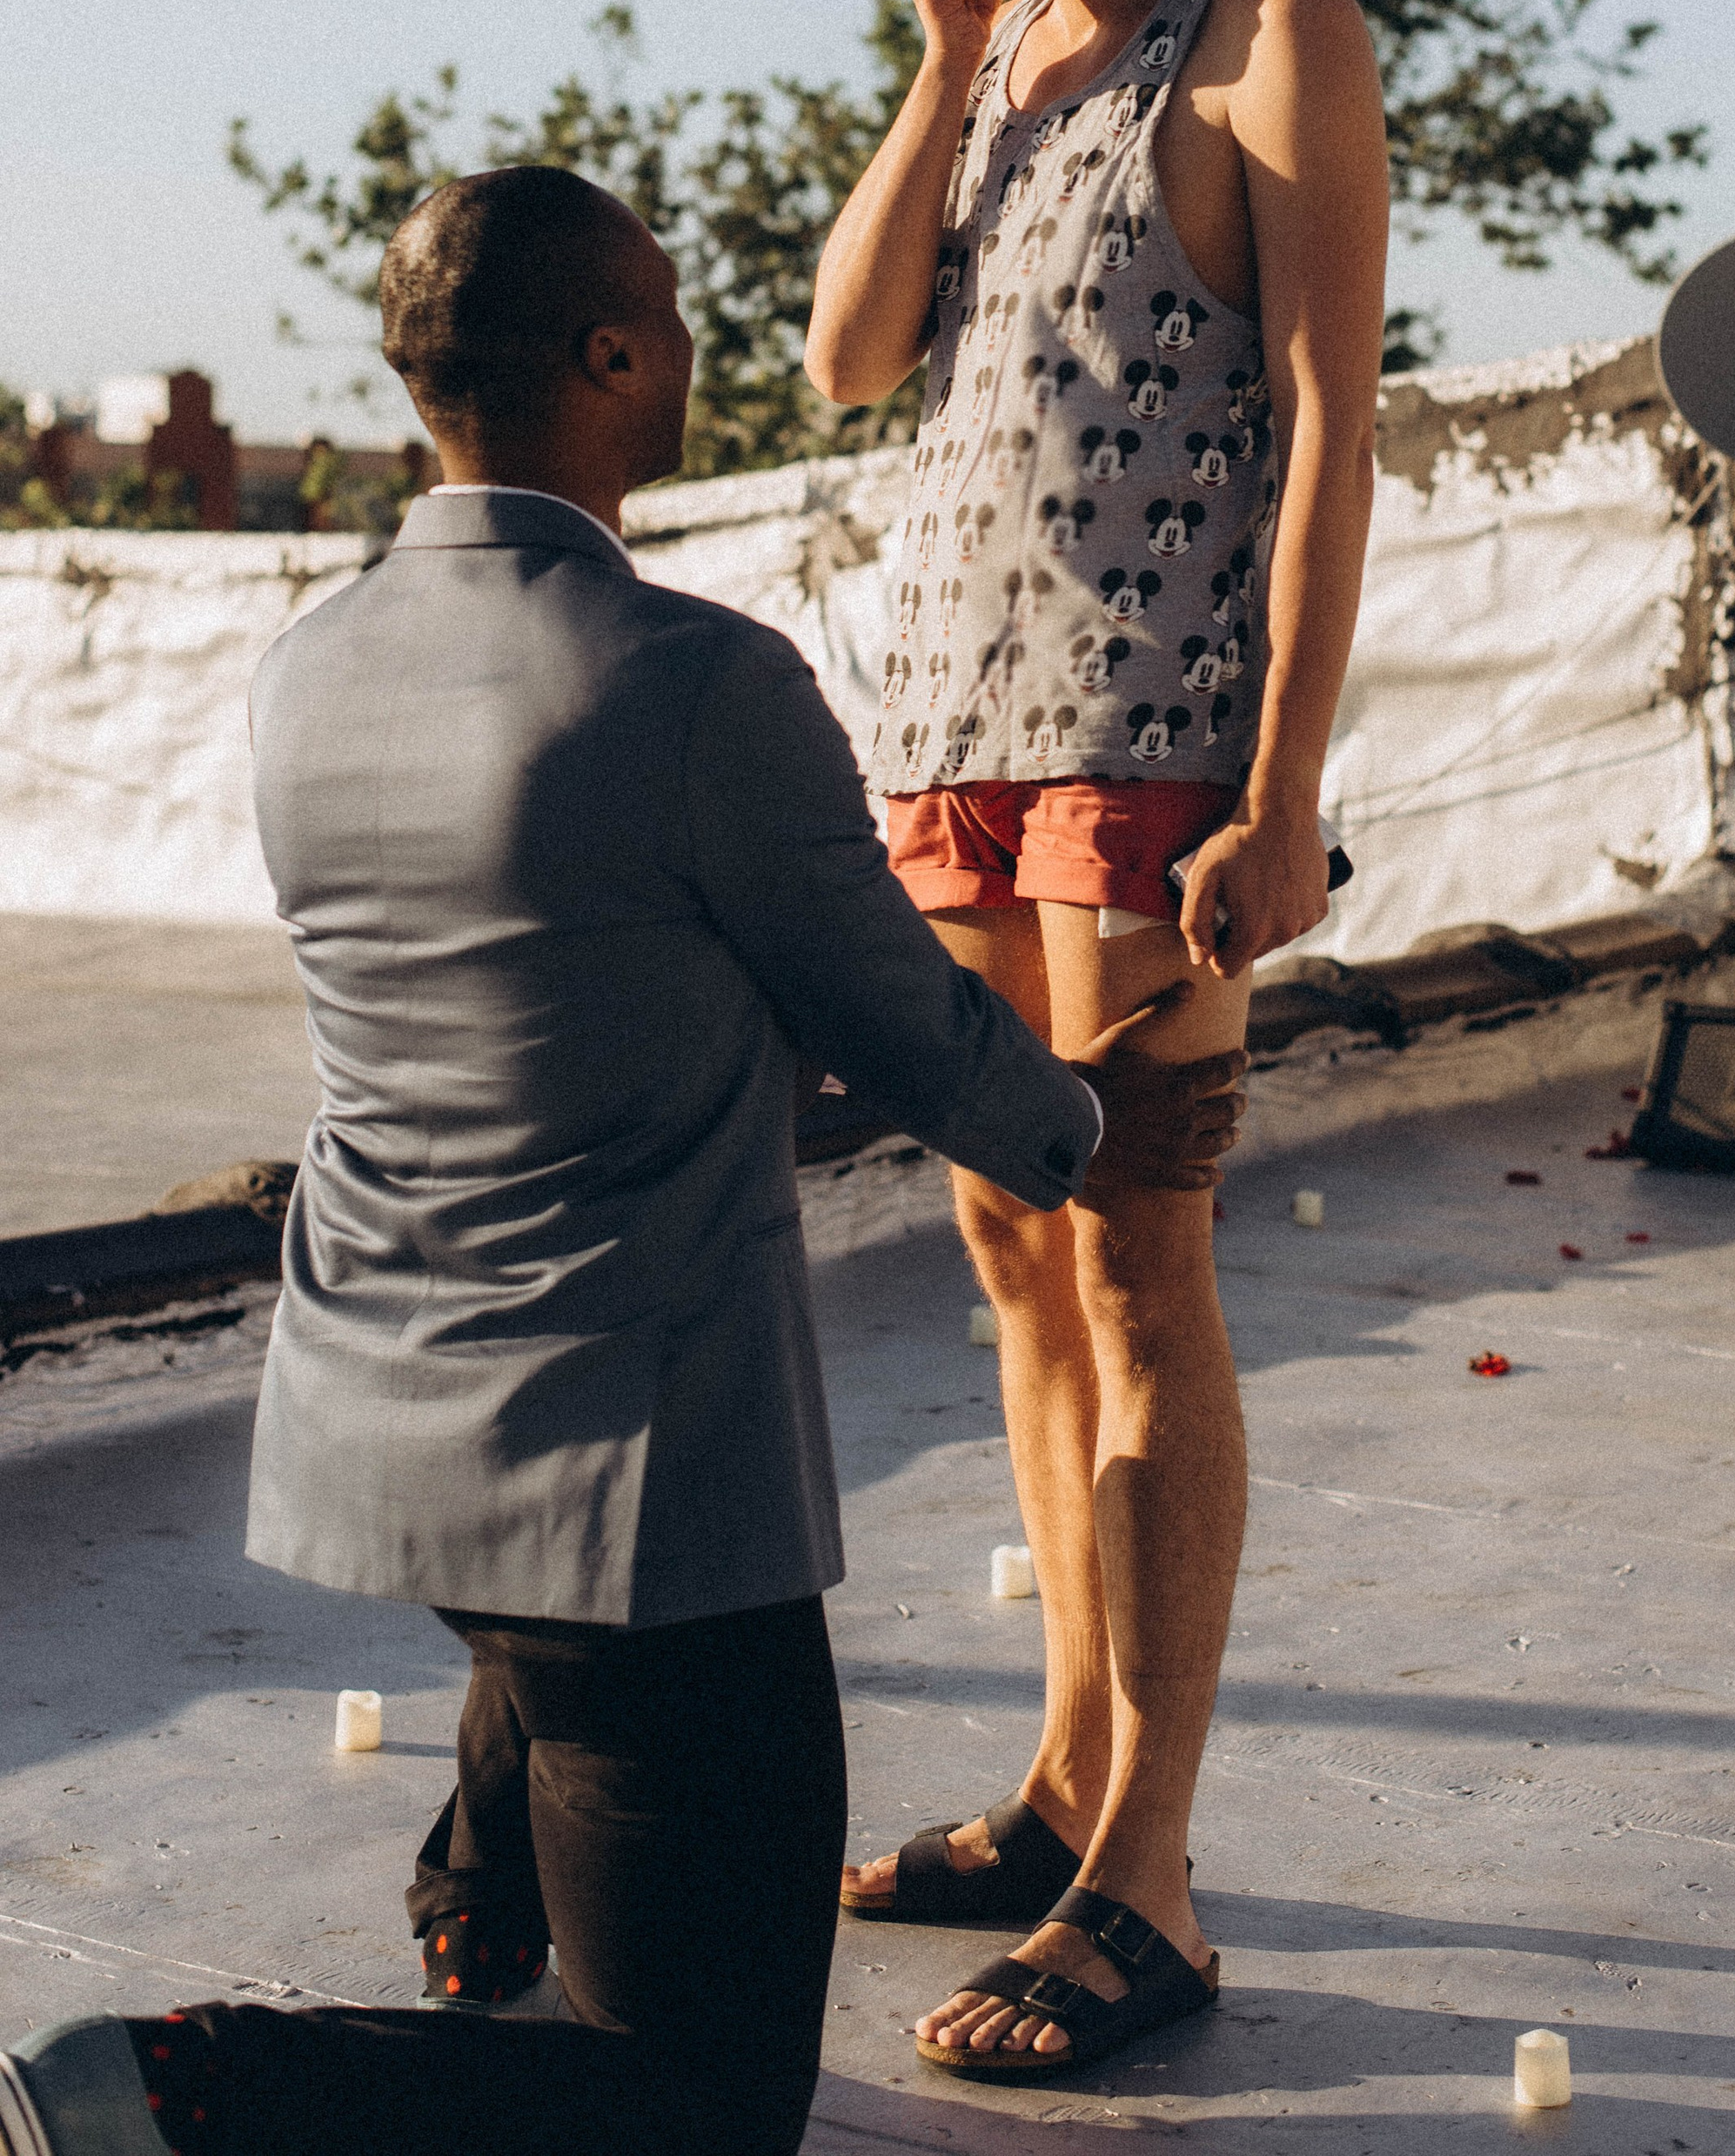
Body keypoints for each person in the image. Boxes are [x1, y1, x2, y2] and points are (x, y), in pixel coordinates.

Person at [0, 164, 1242, 2156]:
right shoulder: (695, 680)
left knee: (544, 1710)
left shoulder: (303, 668)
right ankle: (161, 2085)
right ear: (603, 357)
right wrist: (1100, 1127)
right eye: (663, 309)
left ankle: (481, 1880)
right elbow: (893, 1015)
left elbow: (569, 1006)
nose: (687, 339)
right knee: (700, 2096)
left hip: (373, 1426)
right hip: (631, 1510)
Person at [806, 0, 1389, 2079]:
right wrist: (937, 62)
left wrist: (1286, 789)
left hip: (1157, 759)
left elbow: (1334, 432)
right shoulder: (1000, 42)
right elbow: (847, 364)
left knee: (1144, 1264)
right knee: (1018, 1274)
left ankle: (1148, 1877)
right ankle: (1058, 1780)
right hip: (952, 742)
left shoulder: (1271, 38)